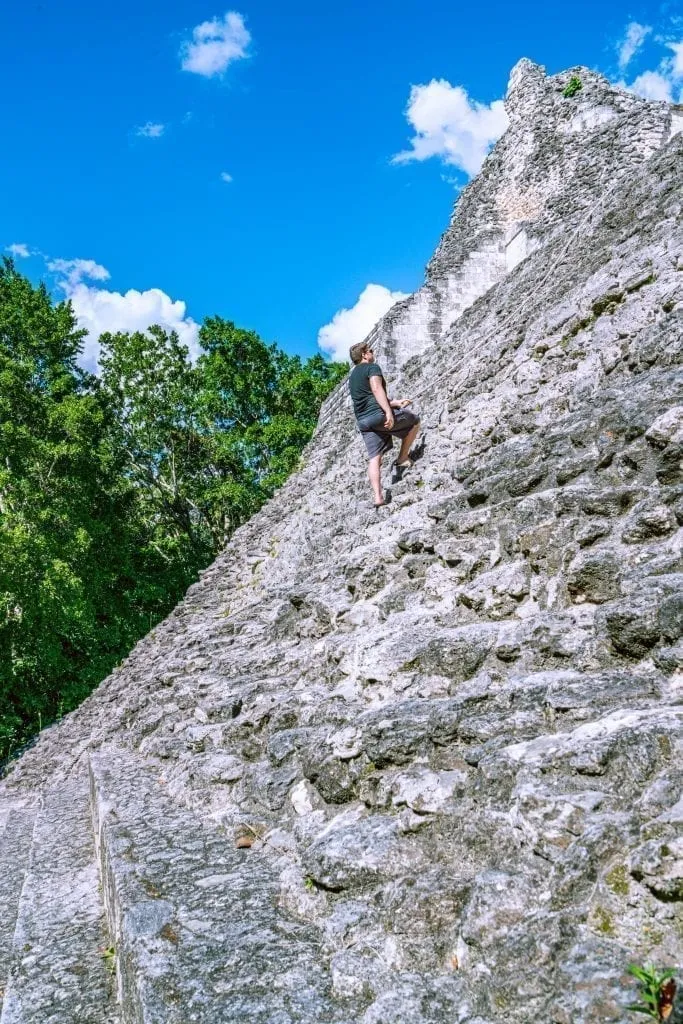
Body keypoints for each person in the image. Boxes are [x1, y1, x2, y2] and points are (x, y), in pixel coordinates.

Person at [349, 341, 420, 508]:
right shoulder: (372, 367)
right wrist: (388, 411)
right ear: (364, 355)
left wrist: (395, 403)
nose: (372, 353)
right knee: (415, 421)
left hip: (364, 421)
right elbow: (375, 388)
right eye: (370, 350)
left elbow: (367, 396)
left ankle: (378, 497)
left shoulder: (352, 378)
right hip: (378, 415)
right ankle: (403, 457)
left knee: (374, 458)